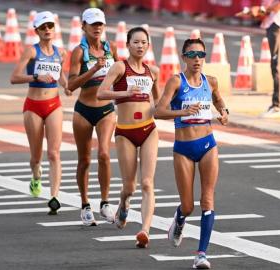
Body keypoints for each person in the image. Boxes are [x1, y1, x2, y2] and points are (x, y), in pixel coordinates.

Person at [154, 38, 228, 269]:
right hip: (184, 148)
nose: (197, 59)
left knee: (207, 199)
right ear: (184, 57)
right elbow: (158, 111)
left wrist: (224, 112)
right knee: (188, 205)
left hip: (207, 144)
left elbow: (218, 99)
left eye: (201, 55)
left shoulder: (211, 81)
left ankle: (201, 254)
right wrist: (182, 111)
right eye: (192, 54)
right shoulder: (177, 82)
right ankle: (180, 218)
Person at [97, 26, 160, 248]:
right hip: (125, 131)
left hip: (148, 129)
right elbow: (101, 93)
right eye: (136, 42)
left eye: (144, 42)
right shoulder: (119, 67)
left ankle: (144, 230)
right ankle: (123, 203)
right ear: (128, 44)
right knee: (130, 187)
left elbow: (159, 103)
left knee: (147, 183)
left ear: (148, 45)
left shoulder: (153, 71)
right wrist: (125, 93)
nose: (140, 46)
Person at [10, 11, 68, 215]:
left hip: (54, 104)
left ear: (54, 29)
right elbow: (14, 77)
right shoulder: (31, 52)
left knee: (54, 153)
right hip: (33, 105)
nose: (47, 30)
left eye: (50, 26)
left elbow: (60, 74)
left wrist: (67, 85)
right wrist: (35, 76)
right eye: (43, 27)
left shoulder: (61, 52)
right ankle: (36, 177)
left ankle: (54, 197)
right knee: (36, 156)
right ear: (36, 30)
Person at [67, 8, 118, 226]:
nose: (97, 28)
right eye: (92, 24)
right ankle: (85, 204)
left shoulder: (110, 48)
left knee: (105, 154)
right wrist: (93, 70)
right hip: (84, 110)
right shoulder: (79, 52)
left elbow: (121, 74)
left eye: (100, 24)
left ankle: (105, 202)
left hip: (106, 109)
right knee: (85, 159)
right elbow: (71, 85)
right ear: (84, 27)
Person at [251, 0, 280, 118]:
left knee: (278, 65)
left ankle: (277, 106)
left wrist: (262, 9)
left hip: (278, 25)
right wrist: (258, 11)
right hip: (275, 24)